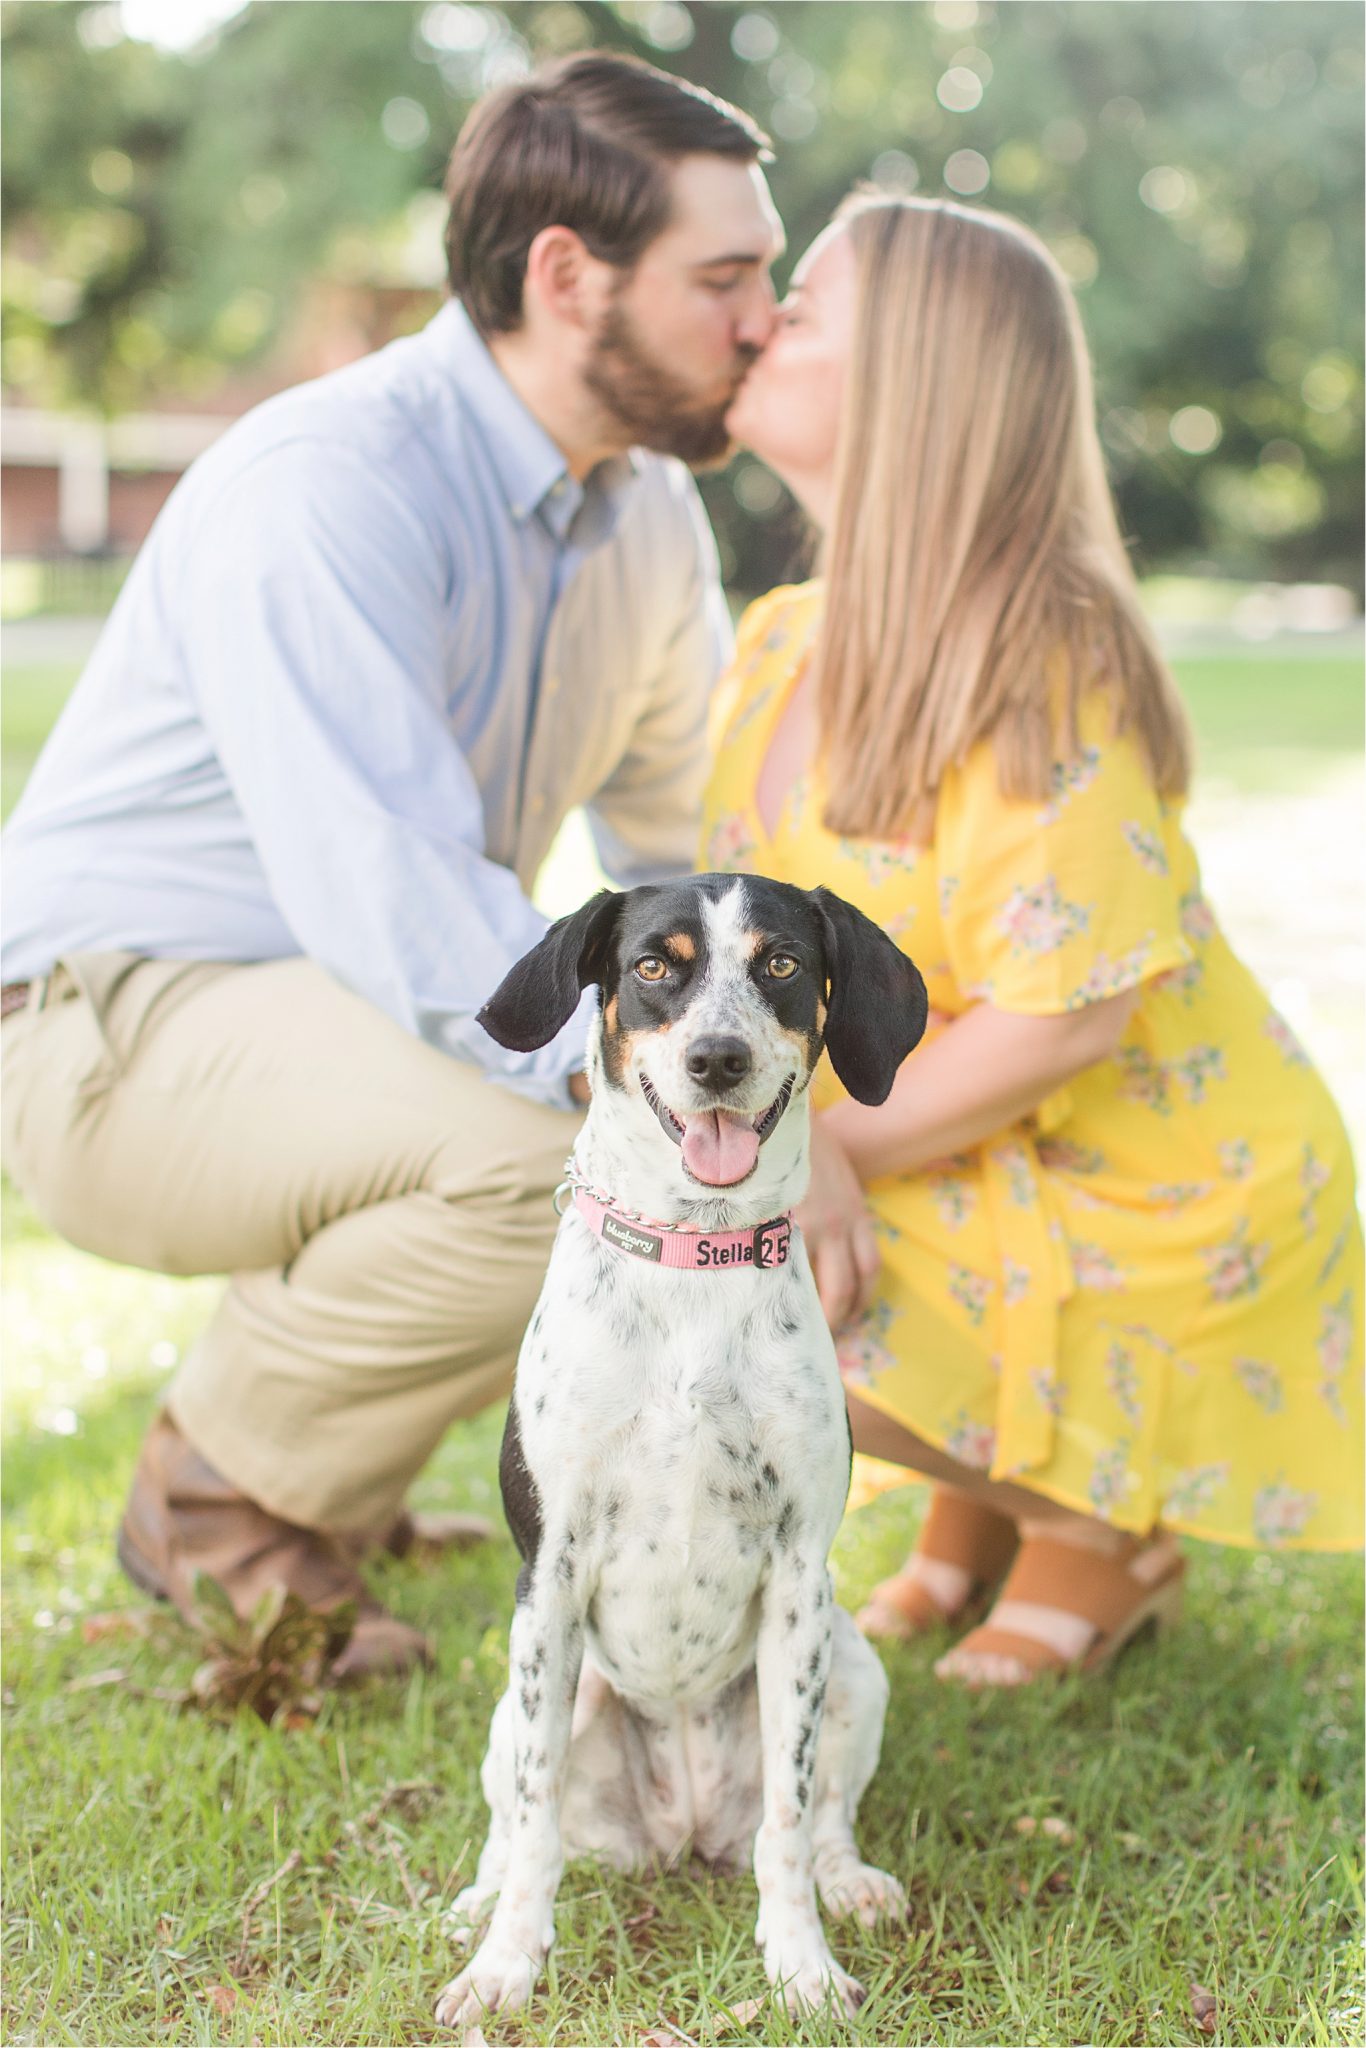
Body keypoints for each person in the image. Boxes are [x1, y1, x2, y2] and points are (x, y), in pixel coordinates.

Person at [0, 53, 783, 1676]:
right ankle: (220, 1503)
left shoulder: (641, 518)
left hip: (307, 1007)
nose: (763, 319)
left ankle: (321, 1485)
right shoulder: (331, 484)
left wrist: (784, 1054)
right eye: (727, 277)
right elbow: (404, 906)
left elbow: (681, 863)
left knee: (638, 1111)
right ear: (567, 278)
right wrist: (692, 1095)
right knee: (566, 1148)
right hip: (97, 1025)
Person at [705, 192, 1363, 1686]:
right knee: (687, 1235)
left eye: (799, 307)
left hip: (1143, 1173)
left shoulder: (1034, 661)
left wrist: (829, 1148)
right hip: (979, 1137)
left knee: (753, 1273)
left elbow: (1061, 1019)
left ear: (913, 387)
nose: (755, 322)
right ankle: (977, 1513)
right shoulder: (783, 638)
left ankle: (1094, 1525)